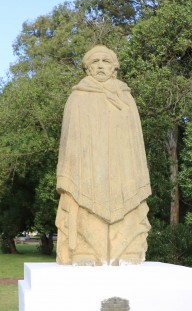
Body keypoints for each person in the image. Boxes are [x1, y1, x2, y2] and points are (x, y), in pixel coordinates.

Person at [55, 45, 151, 266]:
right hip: (88, 167)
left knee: (128, 200)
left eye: (105, 61)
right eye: (95, 62)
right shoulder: (78, 97)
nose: (100, 66)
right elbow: (70, 140)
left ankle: (128, 249)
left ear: (114, 67)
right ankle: (84, 250)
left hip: (122, 166)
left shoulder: (126, 97)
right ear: (87, 68)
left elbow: (135, 139)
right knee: (83, 201)